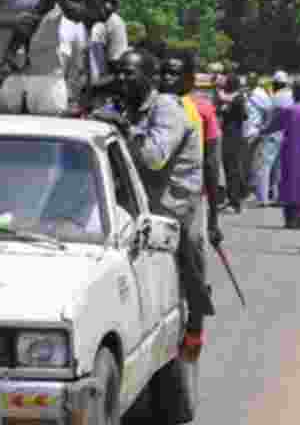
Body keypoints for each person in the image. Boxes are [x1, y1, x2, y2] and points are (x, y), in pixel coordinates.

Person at [92, 49, 214, 365]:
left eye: (129, 73)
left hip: (171, 199)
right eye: (118, 72)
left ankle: (194, 324)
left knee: (189, 254)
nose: (121, 79)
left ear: (149, 78)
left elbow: (153, 159)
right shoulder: (124, 104)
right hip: (139, 194)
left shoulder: (167, 109)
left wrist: (122, 127)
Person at [167, 51, 224, 255]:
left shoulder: (202, 110)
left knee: (193, 248)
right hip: (157, 197)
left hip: (190, 197)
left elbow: (211, 163)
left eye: (174, 74)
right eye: (164, 73)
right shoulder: (149, 108)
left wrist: (213, 219)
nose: (167, 79)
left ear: (189, 80)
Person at [262, 79, 300, 228]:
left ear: (294, 93)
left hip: (290, 152)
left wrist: (260, 130)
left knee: (288, 183)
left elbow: (272, 127)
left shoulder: (288, 111)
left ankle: (289, 220)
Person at [218, 75, 248, 213]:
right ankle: (235, 200)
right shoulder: (237, 98)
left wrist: (225, 108)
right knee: (232, 168)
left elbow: (241, 113)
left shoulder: (237, 99)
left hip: (232, 137)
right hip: (233, 136)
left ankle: (234, 203)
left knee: (232, 169)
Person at [243, 73, 273, 205]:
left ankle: (254, 192)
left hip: (255, 133)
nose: (249, 81)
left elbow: (269, 111)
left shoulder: (260, 94)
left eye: (251, 79)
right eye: (248, 79)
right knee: (247, 164)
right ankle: (248, 191)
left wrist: (263, 128)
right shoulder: (247, 93)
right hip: (245, 133)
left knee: (255, 164)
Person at [265, 71, 294, 204]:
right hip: (288, 135)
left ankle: (265, 197)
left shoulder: (275, 97)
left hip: (274, 134)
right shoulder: (291, 96)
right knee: (281, 167)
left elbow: (271, 118)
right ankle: (279, 196)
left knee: (267, 166)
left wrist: (263, 130)